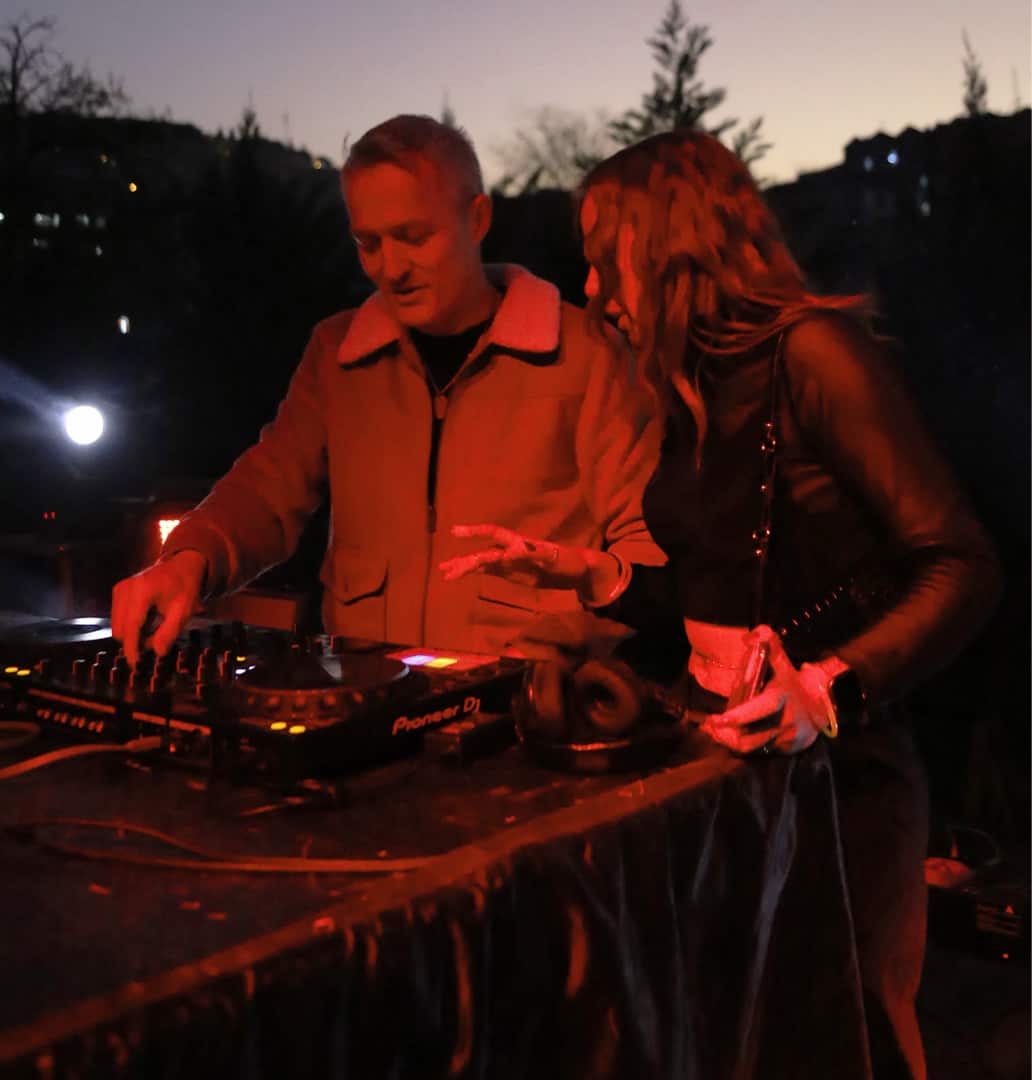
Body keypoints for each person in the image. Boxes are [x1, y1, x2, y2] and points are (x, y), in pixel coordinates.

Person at [441, 131, 1002, 1079]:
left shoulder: (816, 354)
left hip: (841, 779)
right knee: (725, 1037)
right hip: (719, 762)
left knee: (842, 1041)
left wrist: (827, 687)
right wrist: (597, 576)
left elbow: (962, 563)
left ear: (672, 245)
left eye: (603, 254)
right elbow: (728, 591)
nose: (590, 286)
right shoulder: (688, 381)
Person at [111, 115, 664, 665]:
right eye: (368, 243)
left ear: (478, 218)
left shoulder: (588, 355)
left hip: (522, 701)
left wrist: (565, 646)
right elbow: (267, 488)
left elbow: (645, 548)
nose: (391, 268)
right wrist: (188, 561)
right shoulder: (336, 354)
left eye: (413, 237)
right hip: (365, 691)